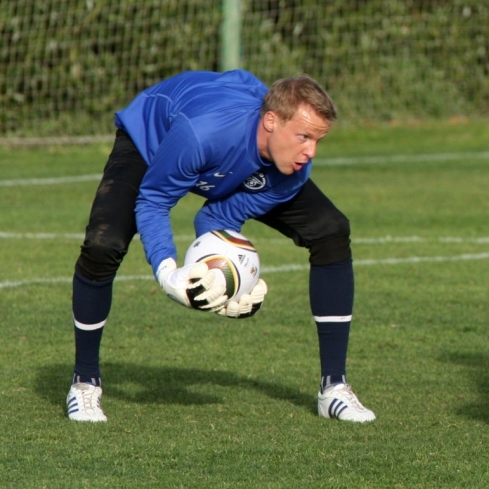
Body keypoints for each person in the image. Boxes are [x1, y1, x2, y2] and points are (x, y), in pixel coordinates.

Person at [66, 70, 375, 424]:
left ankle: (334, 387)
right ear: (271, 121)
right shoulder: (202, 135)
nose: (311, 151)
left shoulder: (294, 168)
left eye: (318, 140)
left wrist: (235, 279)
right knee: (103, 245)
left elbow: (218, 217)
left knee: (331, 230)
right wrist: (169, 275)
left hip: (223, 149)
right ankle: (84, 383)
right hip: (151, 137)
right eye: (304, 137)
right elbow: (154, 200)